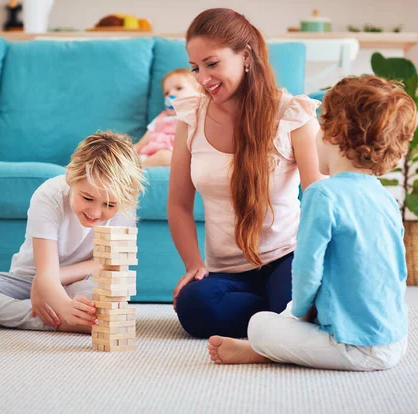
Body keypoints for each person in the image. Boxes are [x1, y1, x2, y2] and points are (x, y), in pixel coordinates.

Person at [208, 75, 416, 371]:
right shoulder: (384, 198)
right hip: (395, 341)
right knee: (292, 317)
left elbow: (307, 269)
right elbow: (396, 272)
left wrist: (298, 316)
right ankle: (285, 346)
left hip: (354, 346)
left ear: (333, 134)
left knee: (260, 324)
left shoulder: (322, 193)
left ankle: (263, 350)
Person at [168, 8, 323, 339]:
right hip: (226, 273)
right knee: (193, 305)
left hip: (286, 258)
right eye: (196, 68)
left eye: (212, 64)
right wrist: (194, 266)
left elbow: (318, 199)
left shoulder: (292, 115)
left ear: (246, 56)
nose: (202, 78)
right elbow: (179, 204)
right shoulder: (190, 118)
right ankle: (280, 317)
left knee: (302, 294)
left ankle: (283, 311)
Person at [0, 131, 146, 333]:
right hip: (29, 280)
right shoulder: (50, 195)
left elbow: (111, 263)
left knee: (103, 305)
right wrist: (63, 307)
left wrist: (57, 280)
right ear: (70, 177)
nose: (95, 212)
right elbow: (45, 274)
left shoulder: (124, 202)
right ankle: (44, 319)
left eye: (108, 205)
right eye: (87, 198)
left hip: (77, 281)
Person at [134, 68, 199, 168]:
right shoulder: (160, 119)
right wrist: (132, 150)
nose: (171, 94)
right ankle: (132, 166)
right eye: (166, 93)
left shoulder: (195, 116)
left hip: (171, 155)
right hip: (146, 155)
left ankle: (139, 168)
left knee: (165, 156)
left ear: (198, 92)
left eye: (179, 88)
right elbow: (142, 143)